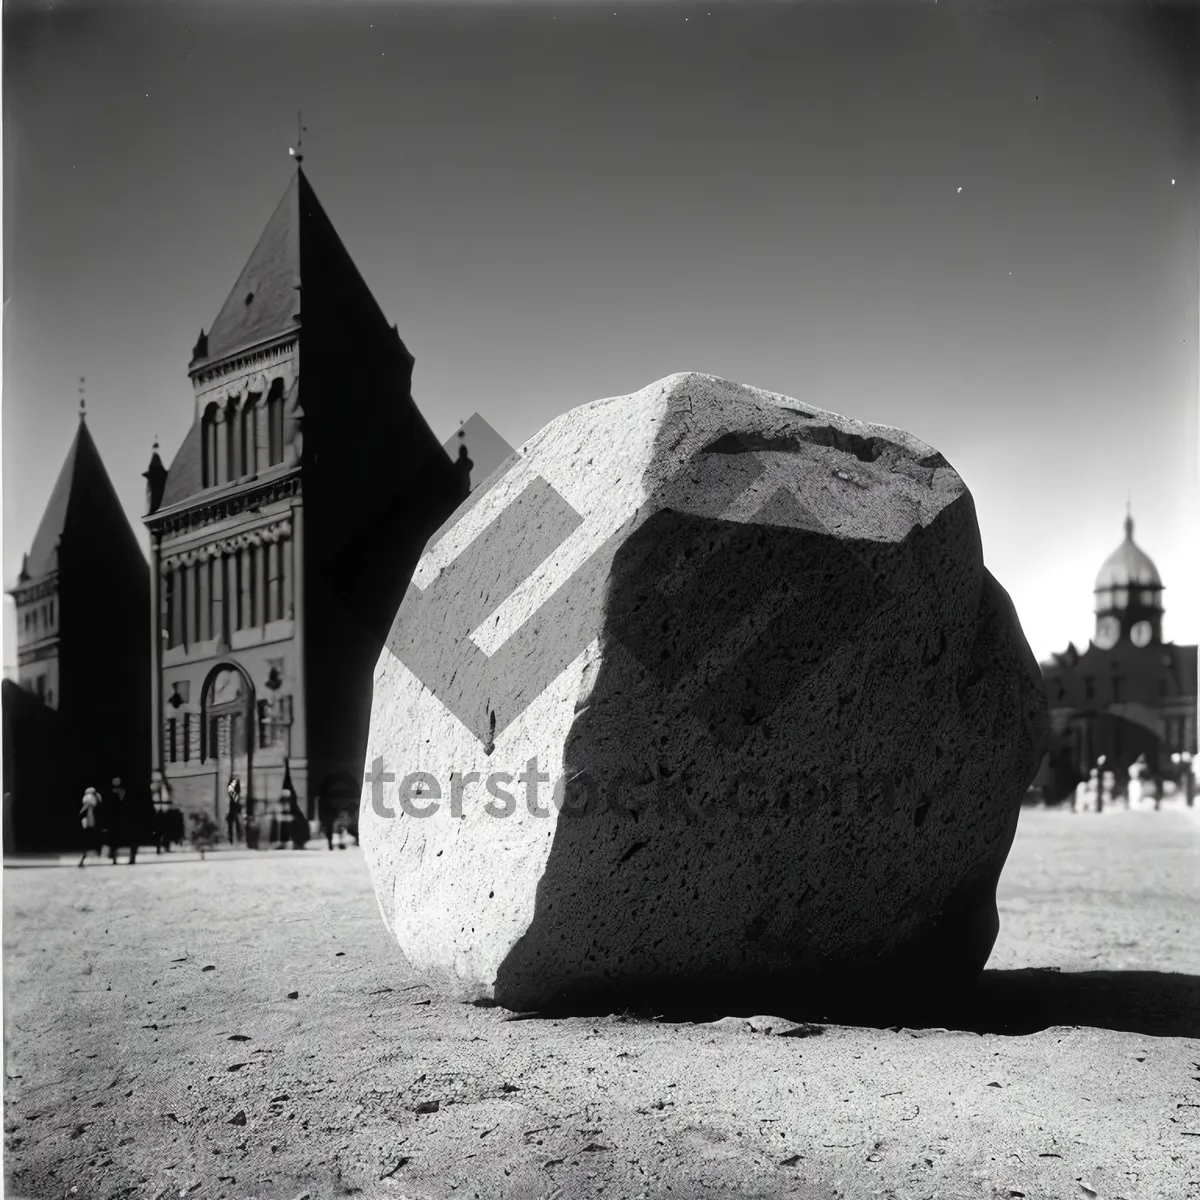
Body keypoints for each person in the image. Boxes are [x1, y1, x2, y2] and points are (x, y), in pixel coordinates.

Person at [107, 777, 137, 865]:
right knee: (131, 839)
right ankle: (132, 858)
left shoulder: (111, 794)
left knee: (114, 840)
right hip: (126, 818)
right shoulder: (126, 793)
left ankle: (115, 859)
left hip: (116, 819)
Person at [78, 786, 102, 867]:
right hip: (90, 824)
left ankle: (87, 856)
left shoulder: (92, 803)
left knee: (88, 842)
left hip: (91, 824)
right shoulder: (94, 802)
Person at [226, 776, 243, 844]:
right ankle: (235, 838)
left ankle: (235, 838)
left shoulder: (234, 783)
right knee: (235, 822)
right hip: (234, 805)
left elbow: (232, 792)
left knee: (235, 822)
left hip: (234, 805)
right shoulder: (234, 783)